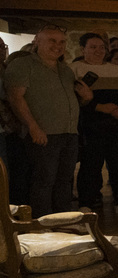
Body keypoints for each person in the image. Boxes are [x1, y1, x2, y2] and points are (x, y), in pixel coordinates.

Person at [3, 26, 90, 217]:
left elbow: (71, 101)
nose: (57, 46)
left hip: (68, 133)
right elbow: (15, 98)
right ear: (37, 41)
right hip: (44, 133)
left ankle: (62, 220)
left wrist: (86, 97)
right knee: (44, 180)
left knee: (65, 180)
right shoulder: (23, 65)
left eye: (61, 42)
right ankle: (41, 224)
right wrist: (33, 127)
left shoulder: (65, 70)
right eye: (52, 40)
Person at [70, 32, 118, 214]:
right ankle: (85, 203)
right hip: (91, 127)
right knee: (90, 166)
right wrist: (100, 107)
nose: (98, 51)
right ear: (82, 49)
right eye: (93, 47)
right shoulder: (74, 69)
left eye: (102, 47)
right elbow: (73, 99)